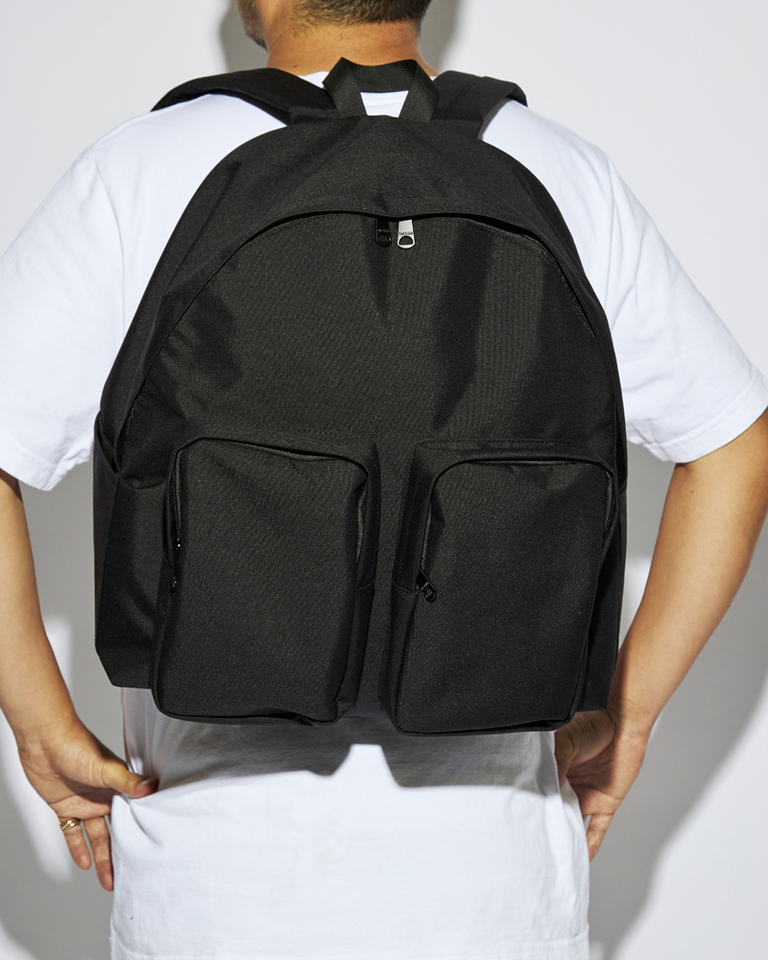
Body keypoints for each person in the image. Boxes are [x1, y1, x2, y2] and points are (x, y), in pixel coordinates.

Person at [1, 1, 768, 958]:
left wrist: (38, 725)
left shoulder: (145, 166)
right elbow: (734, 446)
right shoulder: (559, 169)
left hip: (217, 897)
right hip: (502, 899)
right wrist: (628, 713)